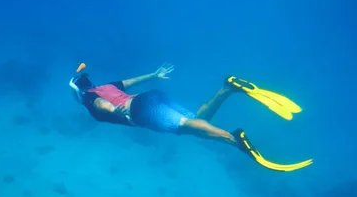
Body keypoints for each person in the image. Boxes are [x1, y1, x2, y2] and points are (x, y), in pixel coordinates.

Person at [69, 63, 313, 172]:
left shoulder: (90, 100)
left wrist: (115, 111)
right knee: (196, 119)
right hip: (152, 96)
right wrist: (154, 74)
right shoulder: (106, 85)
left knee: (186, 126)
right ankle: (228, 88)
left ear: (78, 92)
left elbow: (101, 106)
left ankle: (235, 139)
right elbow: (130, 81)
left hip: (141, 111)